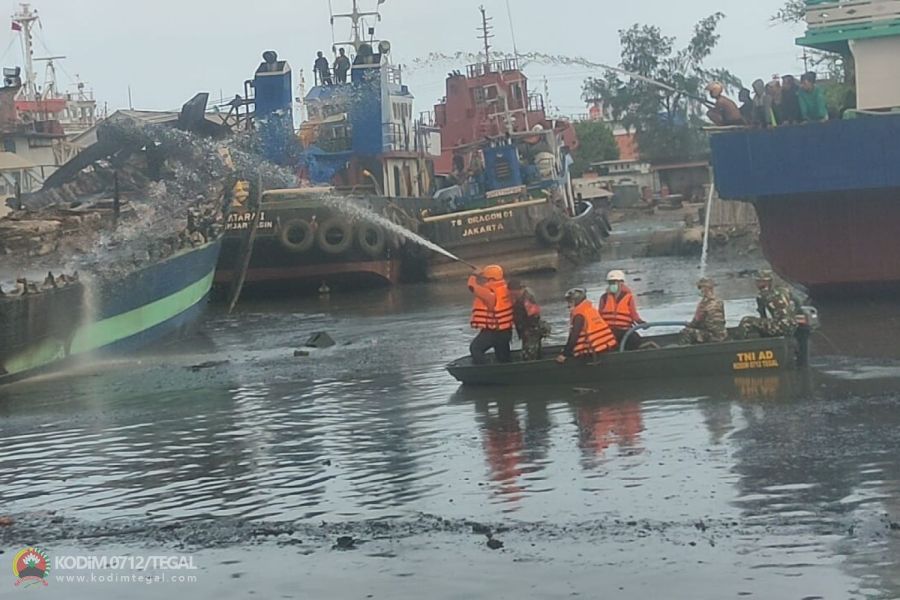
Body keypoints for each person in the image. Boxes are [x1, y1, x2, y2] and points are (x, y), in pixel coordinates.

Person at [556, 288, 617, 364]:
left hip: (593, 352)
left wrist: (564, 354)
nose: (568, 305)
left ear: (576, 301)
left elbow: (573, 337)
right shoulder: (591, 309)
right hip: (606, 346)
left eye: (570, 302)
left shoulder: (579, 315)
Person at [468, 264, 514, 364]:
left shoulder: (489, 292)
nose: (484, 280)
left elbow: (471, 286)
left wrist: (474, 275)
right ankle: (507, 371)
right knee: (503, 358)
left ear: (491, 279)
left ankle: (484, 369)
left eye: (485, 278)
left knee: (475, 349)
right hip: (506, 331)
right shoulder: (505, 289)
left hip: (493, 331)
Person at [736, 270, 797, 339]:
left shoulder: (764, 294)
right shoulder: (783, 290)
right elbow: (797, 303)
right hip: (792, 327)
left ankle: (738, 343)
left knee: (746, 320)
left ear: (766, 282)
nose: (757, 284)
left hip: (781, 328)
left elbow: (763, 314)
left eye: (759, 281)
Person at [598, 269, 646, 350]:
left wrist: (641, 322)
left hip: (624, 330)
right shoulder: (604, 298)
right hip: (609, 331)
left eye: (614, 282)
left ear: (621, 282)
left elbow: (634, 314)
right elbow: (599, 316)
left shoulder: (628, 297)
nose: (612, 284)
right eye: (610, 282)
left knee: (635, 340)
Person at [508, 279, 549, 361]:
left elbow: (533, 316)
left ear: (515, 290)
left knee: (529, 355)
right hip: (527, 330)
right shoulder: (520, 297)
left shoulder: (527, 298)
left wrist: (525, 329)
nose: (511, 295)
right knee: (533, 353)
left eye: (512, 292)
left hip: (531, 330)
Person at [678, 278, 728, 345]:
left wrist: (688, 324)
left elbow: (696, 322)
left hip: (713, 337)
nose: (701, 290)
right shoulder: (719, 301)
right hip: (722, 335)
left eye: (700, 288)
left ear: (703, 289)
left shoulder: (703, 304)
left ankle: (684, 349)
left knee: (686, 331)